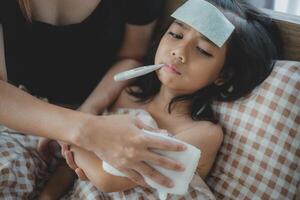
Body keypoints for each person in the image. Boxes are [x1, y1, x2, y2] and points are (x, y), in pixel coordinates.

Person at [37, 0, 282, 199]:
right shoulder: (126, 93)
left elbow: (107, 179)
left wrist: (68, 130)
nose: (179, 52)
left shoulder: (202, 133)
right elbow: (70, 163)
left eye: (203, 50)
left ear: (223, 75)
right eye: (176, 34)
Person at [0, 0, 188, 198]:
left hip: (95, 109)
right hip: (18, 116)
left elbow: (131, 56)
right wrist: (83, 129)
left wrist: (88, 110)